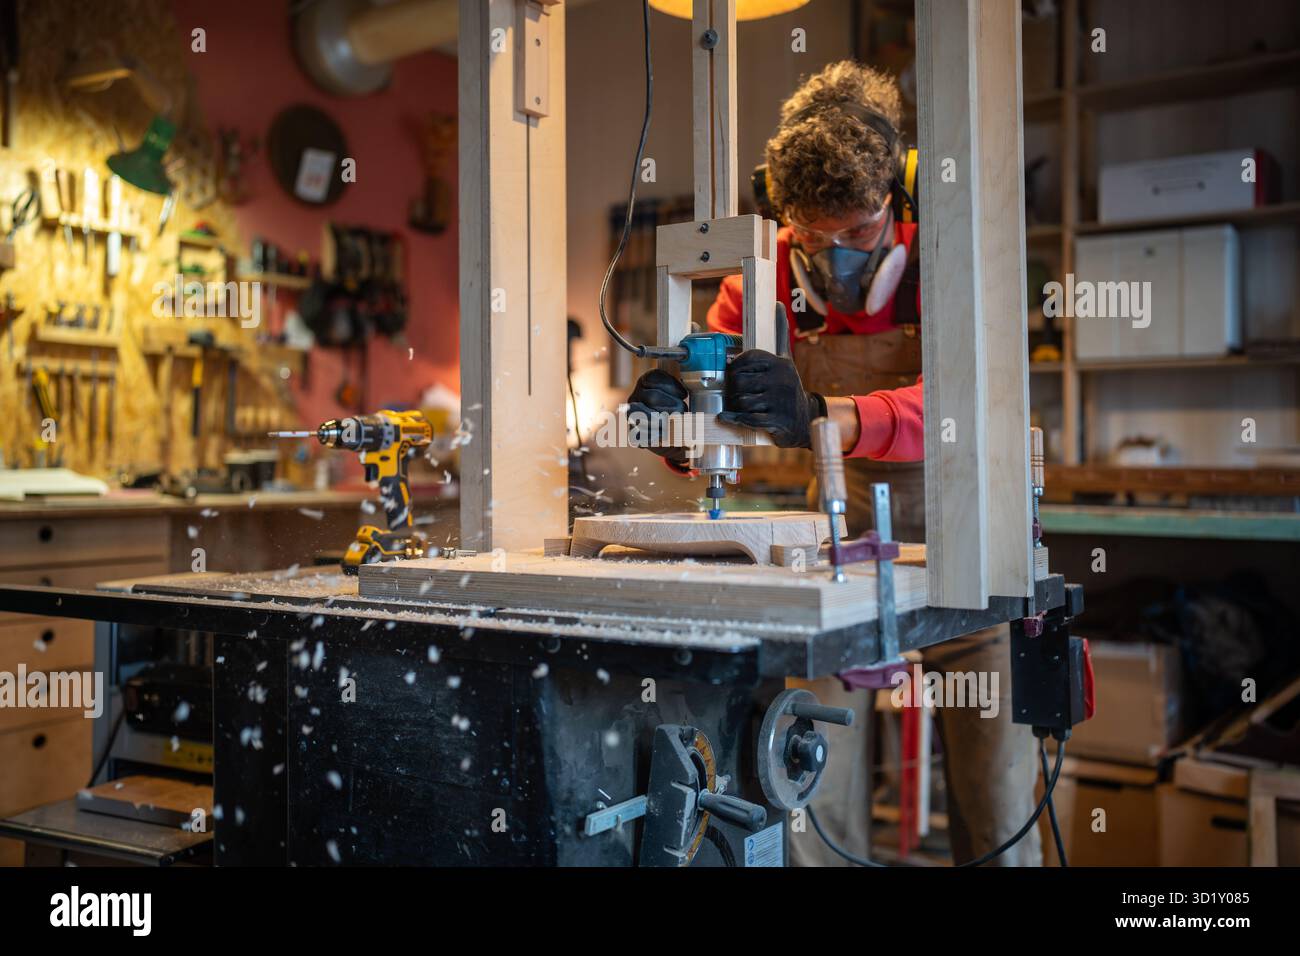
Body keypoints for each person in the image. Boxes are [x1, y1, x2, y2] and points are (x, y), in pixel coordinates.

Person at [627, 61, 1040, 867]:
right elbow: (723, 403)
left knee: (998, 815)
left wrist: (823, 415)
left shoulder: (950, 254)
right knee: (807, 799)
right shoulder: (769, 275)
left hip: (974, 560)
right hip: (845, 566)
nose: (835, 252)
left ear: (903, 193)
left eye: (857, 230)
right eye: (814, 233)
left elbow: (968, 405)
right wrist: (678, 425)